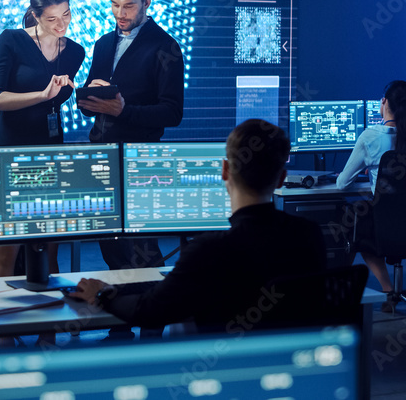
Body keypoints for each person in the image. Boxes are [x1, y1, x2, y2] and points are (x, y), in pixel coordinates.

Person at [68, 119, 327, 332]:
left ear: (224, 171)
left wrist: (100, 294)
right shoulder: (309, 235)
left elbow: (149, 312)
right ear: (281, 179)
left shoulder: (210, 250)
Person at [77, 0, 184, 275]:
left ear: (147, 2)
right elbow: (88, 105)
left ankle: (154, 315)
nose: (119, 13)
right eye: (114, 4)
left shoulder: (166, 47)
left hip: (140, 160)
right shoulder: (103, 43)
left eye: (128, 6)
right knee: (108, 244)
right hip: (100, 155)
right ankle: (121, 317)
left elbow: (172, 112)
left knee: (140, 248)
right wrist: (88, 100)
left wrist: (123, 111)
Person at [0, 0, 86, 282]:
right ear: (36, 15)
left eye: (66, 15)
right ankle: (1, 328)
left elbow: (64, 95)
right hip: (10, 149)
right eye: (52, 18)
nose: (61, 24)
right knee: (7, 249)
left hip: (51, 149)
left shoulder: (75, 52)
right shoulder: (11, 40)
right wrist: (41, 96)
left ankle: (49, 329)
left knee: (49, 249)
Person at [335, 79, 406, 303]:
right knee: (364, 223)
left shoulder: (371, 136)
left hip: (386, 223)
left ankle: (340, 288)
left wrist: (369, 168)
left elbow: (342, 184)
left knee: (352, 226)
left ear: (384, 101)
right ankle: (389, 291)